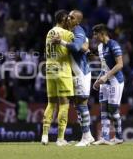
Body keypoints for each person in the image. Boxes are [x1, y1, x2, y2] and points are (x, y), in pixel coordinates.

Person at [51, 10, 94, 146]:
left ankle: (86, 137)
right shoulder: (71, 31)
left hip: (81, 72)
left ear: (77, 21)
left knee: (82, 104)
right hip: (74, 73)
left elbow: (75, 47)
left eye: (72, 17)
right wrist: (86, 48)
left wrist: (61, 42)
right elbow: (84, 44)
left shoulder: (78, 30)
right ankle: (88, 136)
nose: (69, 18)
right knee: (77, 105)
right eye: (68, 16)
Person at [41, 10, 74, 146]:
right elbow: (77, 48)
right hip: (62, 69)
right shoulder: (67, 34)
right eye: (67, 19)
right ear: (63, 19)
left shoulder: (49, 32)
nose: (69, 21)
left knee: (51, 103)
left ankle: (44, 135)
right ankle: (60, 138)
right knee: (64, 103)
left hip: (49, 68)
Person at [92, 24, 124, 145]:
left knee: (113, 110)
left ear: (102, 33)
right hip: (105, 82)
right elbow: (104, 66)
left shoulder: (113, 44)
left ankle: (119, 137)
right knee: (103, 110)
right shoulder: (100, 47)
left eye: (95, 34)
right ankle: (104, 138)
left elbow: (120, 64)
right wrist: (99, 78)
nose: (94, 37)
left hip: (115, 81)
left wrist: (106, 76)